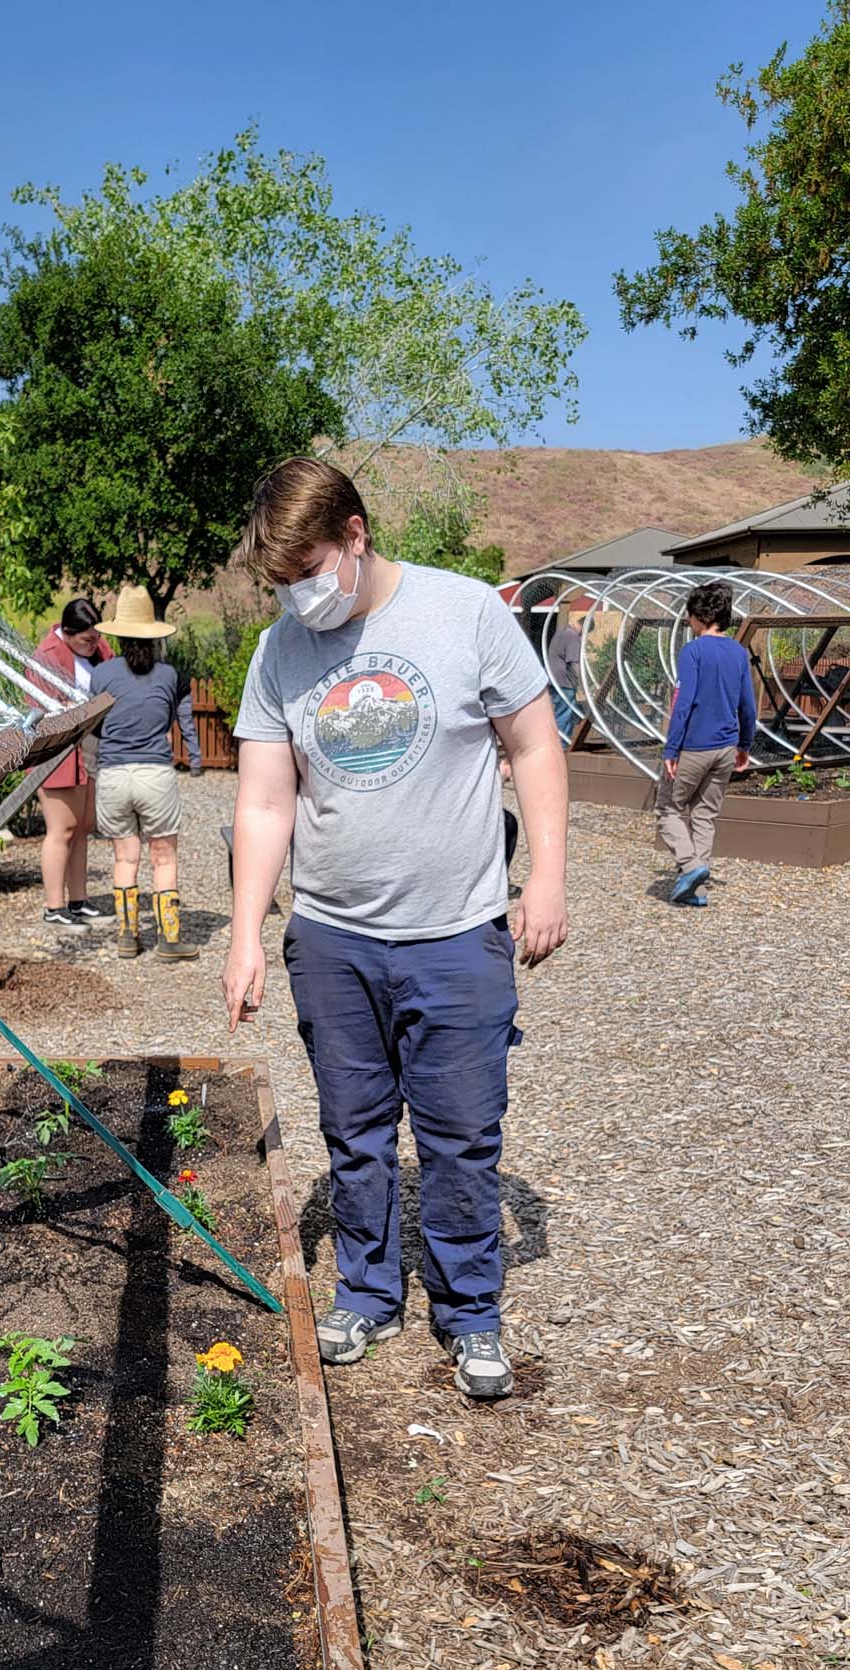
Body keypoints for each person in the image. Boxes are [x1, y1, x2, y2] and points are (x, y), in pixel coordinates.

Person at [222, 458, 568, 1400]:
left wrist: (545, 879)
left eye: (309, 570)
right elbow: (263, 799)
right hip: (334, 937)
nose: (298, 595)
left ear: (356, 534)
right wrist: (247, 931)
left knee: (461, 1134)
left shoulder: (463, 613)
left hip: (458, 931)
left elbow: (534, 744)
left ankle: (470, 1310)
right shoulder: (278, 654)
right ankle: (368, 1292)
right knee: (357, 1129)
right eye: (280, 581)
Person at [91, 586, 203, 962]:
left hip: (113, 774)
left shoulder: (101, 674)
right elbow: (173, 717)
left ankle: (127, 936)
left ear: (118, 633)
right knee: (164, 859)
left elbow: (94, 726)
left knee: (125, 858)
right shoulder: (170, 675)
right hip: (155, 772)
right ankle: (169, 940)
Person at [657, 580, 755, 907]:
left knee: (668, 809)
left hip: (694, 746)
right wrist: (745, 745)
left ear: (699, 615)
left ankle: (691, 866)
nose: (687, 621)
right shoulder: (739, 652)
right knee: (704, 815)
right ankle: (695, 891)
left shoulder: (693, 651)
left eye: (689, 615)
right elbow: (747, 706)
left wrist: (671, 749)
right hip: (726, 748)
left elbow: (683, 704)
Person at [27, 597, 113, 933]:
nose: (94, 644)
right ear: (68, 632)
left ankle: (78, 900)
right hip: (59, 752)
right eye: (86, 639)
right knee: (61, 828)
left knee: (82, 826)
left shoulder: (99, 650)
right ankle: (54, 906)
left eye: (96, 637)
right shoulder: (46, 657)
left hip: (89, 747)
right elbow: (39, 708)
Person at [546, 606, 583, 742]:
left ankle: (559, 740)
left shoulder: (560, 633)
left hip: (553, 678)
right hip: (564, 681)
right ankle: (560, 743)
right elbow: (573, 662)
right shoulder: (573, 637)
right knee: (564, 712)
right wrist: (581, 682)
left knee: (561, 711)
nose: (583, 635)